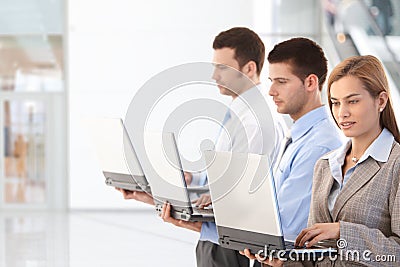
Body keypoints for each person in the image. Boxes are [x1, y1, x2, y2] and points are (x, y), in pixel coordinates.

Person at [120, 27, 286, 267]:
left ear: (249, 68)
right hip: (222, 241)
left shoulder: (254, 121)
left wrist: (167, 199)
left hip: (232, 248)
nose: (214, 76)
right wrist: (192, 180)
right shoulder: (241, 113)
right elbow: (223, 182)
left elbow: (237, 196)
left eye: (222, 68)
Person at [242, 37, 343, 265]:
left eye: (281, 81)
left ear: (310, 83)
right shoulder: (299, 135)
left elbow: (284, 225)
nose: (271, 91)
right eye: (271, 81)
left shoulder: (320, 145)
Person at [292, 55, 400, 266]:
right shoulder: (325, 165)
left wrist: (343, 232)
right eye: (335, 103)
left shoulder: (395, 164)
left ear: (381, 101)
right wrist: (284, 261)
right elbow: (315, 253)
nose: (342, 113)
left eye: (353, 101)